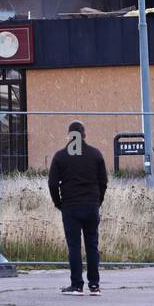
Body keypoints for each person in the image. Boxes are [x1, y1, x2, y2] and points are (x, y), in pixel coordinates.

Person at [47, 120, 108, 296]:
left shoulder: (60, 156)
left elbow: (52, 184)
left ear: (69, 136)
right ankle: (94, 285)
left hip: (70, 207)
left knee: (74, 246)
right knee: (92, 246)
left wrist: (59, 203)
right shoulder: (95, 154)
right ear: (84, 135)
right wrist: (97, 201)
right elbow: (103, 182)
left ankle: (77, 285)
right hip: (91, 206)